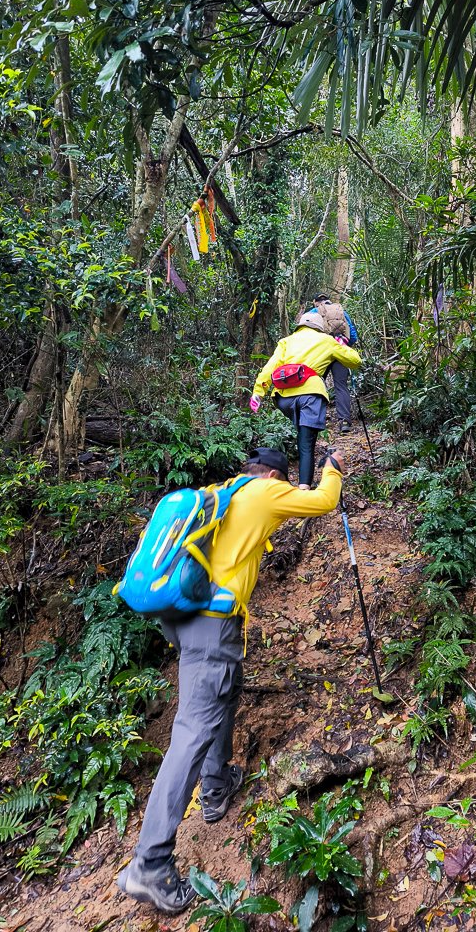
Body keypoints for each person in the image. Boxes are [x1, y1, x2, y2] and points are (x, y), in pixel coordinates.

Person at [117, 447, 347, 914]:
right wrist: (334, 467)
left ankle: (217, 785)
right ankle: (151, 863)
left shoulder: (223, 492)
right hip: (212, 627)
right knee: (192, 730)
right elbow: (325, 501)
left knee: (225, 692)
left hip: (183, 621)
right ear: (276, 475)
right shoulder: (267, 492)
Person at [250, 312, 360, 488]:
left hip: (283, 398)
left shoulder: (286, 341)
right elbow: (355, 361)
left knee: (303, 437)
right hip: (311, 395)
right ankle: (304, 488)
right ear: (319, 327)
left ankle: (291, 482)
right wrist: (340, 344)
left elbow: (269, 368)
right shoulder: (326, 340)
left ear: (300, 325)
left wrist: (258, 392)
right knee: (306, 443)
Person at [310, 293, 359, 434]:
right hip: (340, 351)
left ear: (316, 302)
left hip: (321, 354)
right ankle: (344, 421)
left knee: (316, 383)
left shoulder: (313, 313)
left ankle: (315, 421)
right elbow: (353, 335)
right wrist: (343, 344)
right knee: (341, 386)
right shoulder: (341, 311)